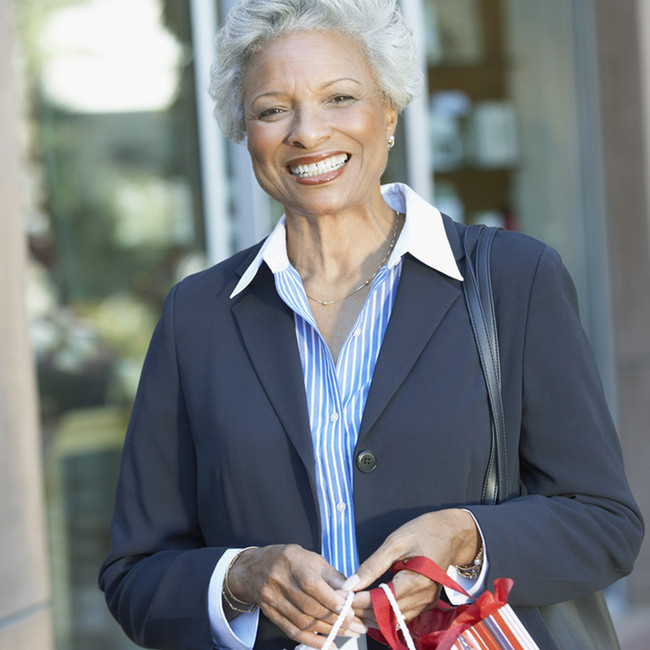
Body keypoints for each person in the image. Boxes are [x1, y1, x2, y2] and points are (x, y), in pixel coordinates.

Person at [99, 1, 643, 649]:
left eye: (340, 97)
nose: (307, 131)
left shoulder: (512, 279)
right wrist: (241, 575)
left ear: (388, 111)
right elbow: (135, 575)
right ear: (245, 132)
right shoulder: (197, 316)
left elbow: (604, 525)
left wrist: (466, 540)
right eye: (273, 109)